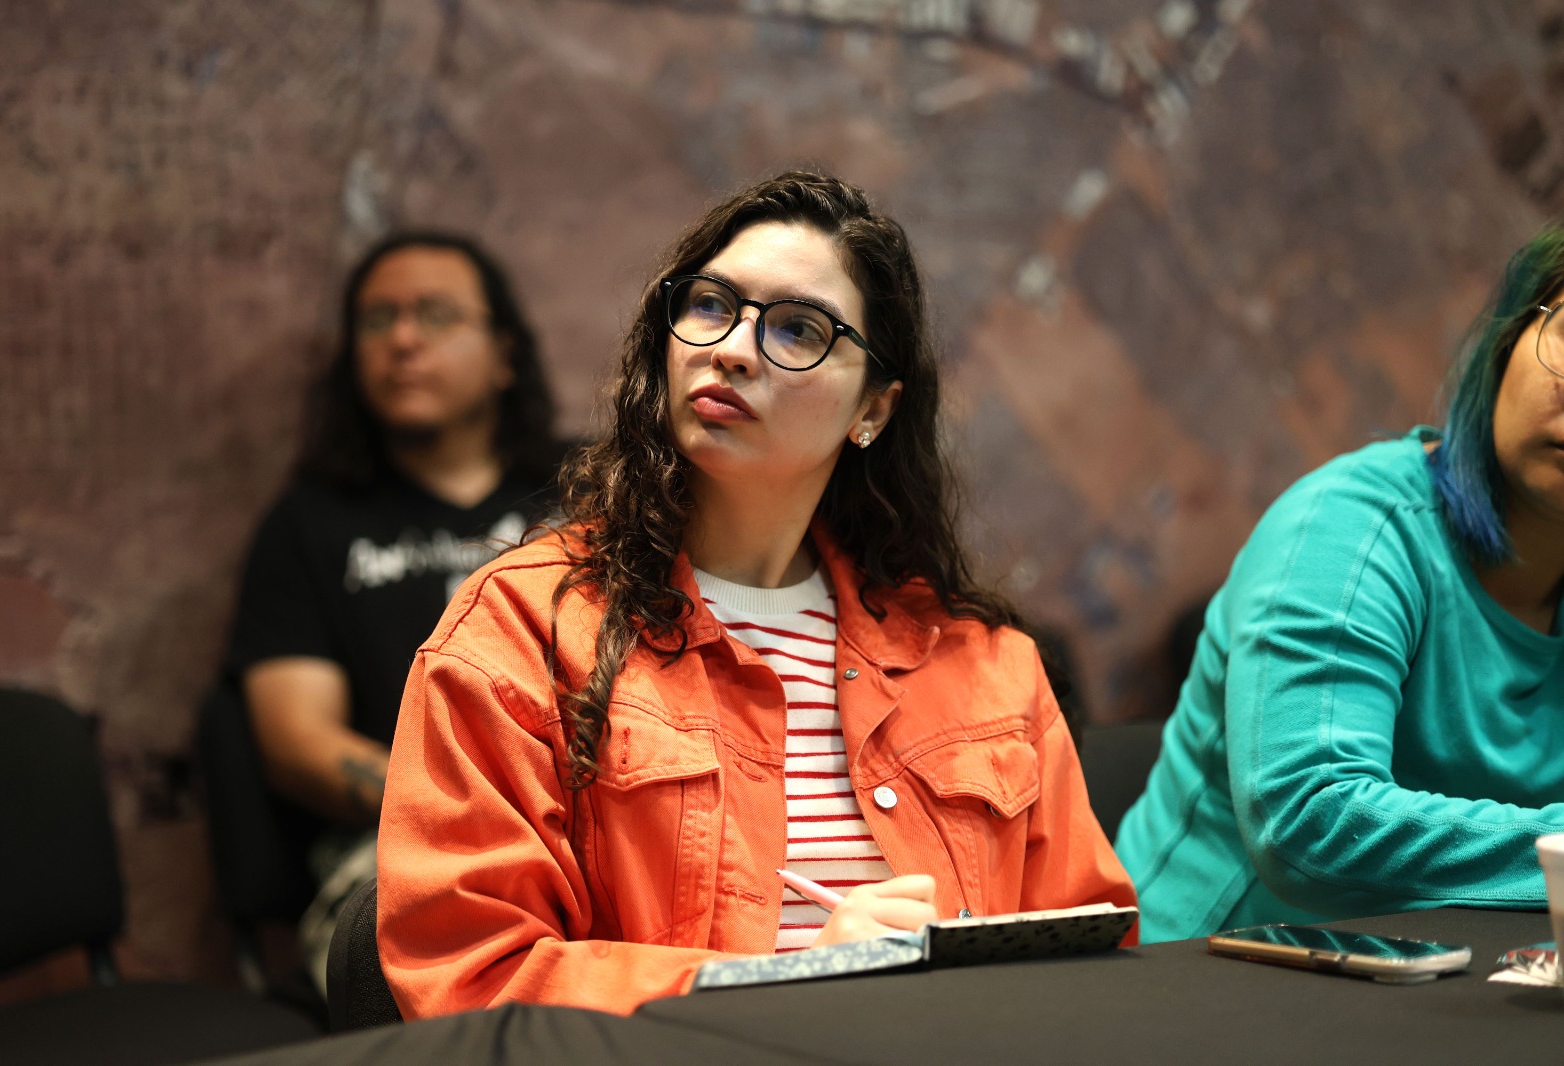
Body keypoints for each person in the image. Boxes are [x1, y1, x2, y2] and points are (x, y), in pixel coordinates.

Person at [375, 172, 1136, 1018]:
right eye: (711, 306)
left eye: (798, 328)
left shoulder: (986, 664)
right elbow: (472, 979)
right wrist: (791, 983)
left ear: (873, 410)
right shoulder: (522, 629)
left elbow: (1092, 962)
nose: (733, 348)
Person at [1115, 223, 1564, 943]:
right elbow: (1307, 821)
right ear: (1507, 340)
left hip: (1442, 982)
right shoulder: (1348, 528)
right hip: (1196, 975)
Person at [222, 231, 564, 989]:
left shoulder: (588, 494)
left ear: (504, 355)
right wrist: (474, 811)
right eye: (378, 320)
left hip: (592, 825)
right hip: (393, 847)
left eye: (436, 315)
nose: (403, 339)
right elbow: (296, 740)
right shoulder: (308, 525)